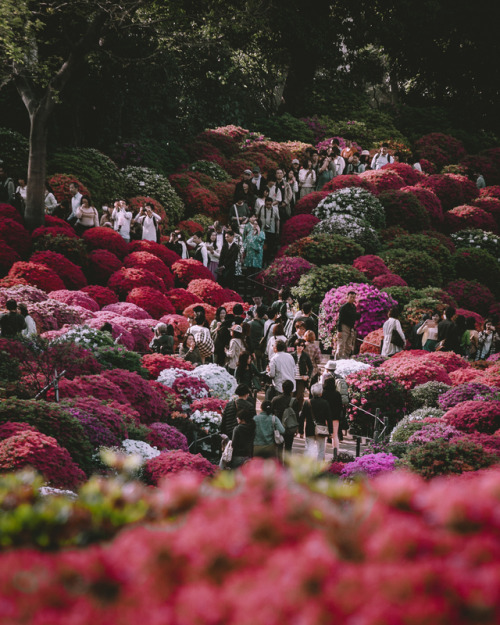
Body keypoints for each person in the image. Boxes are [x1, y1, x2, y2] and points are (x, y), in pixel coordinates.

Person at [300, 383, 332, 461]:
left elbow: (302, 417)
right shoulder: (325, 403)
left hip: (309, 429)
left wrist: (301, 431)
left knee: (309, 449)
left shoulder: (307, 403)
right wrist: (330, 432)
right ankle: (319, 467)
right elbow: (329, 418)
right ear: (321, 393)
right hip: (321, 429)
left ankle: (308, 467)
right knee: (321, 450)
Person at [271, 379, 299, 453]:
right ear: (292, 390)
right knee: (288, 448)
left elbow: (271, 414)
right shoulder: (294, 401)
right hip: (290, 427)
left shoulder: (275, 399)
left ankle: (279, 464)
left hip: (278, 427)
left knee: (278, 447)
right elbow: (296, 416)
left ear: (282, 388)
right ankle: (286, 464)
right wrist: (297, 428)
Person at [321, 377, 343, 460]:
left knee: (323, 437)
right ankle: (335, 454)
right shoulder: (337, 394)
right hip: (335, 418)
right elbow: (340, 406)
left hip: (324, 418)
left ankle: (322, 455)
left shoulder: (323, 393)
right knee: (335, 436)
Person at [335, 291, 360, 360]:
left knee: (349, 345)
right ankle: (337, 360)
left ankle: (345, 359)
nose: (352, 298)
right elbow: (339, 320)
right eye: (351, 297)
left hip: (351, 328)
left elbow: (354, 317)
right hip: (344, 327)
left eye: (354, 297)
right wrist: (339, 330)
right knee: (341, 345)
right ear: (347, 297)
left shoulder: (354, 307)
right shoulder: (343, 307)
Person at [256, 196, 280, 265]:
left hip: (272, 231)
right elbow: (257, 217)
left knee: (270, 246)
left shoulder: (275, 209)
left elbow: (277, 220)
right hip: (262, 231)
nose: (269, 206)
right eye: (267, 204)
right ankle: (263, 260)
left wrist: (277, 230)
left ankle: (269, 260)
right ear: (265, 203)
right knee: (263, 246)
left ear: (272, 203)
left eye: (270, 204)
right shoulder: (261, 208)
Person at [292, 338, 313, 410]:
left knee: (300, 396)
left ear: (303, 347)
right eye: (298, 345)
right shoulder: (292, 355)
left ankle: (299, 412)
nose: (300, 347)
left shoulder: (305, 355)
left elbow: (311, 367)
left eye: (301, 346)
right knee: (292, 396)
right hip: (292, 378)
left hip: (301, 379)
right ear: (295, 346)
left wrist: (308, 376)